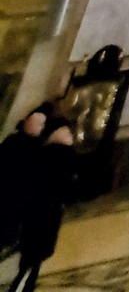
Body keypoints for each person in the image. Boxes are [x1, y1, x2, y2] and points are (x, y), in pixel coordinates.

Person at [8, 115, 75, 291]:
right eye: (65, 132)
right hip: (42, 214)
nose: (69, 135)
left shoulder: (55, 155)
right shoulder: (54, 156)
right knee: (31, 262)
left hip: (43, 214)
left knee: (32, 261)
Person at [0, 106, 51, 258]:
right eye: (34, 121)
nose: (36, 126)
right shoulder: (13, 141)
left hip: (14, 205)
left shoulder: (39, 152)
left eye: (40, 124)